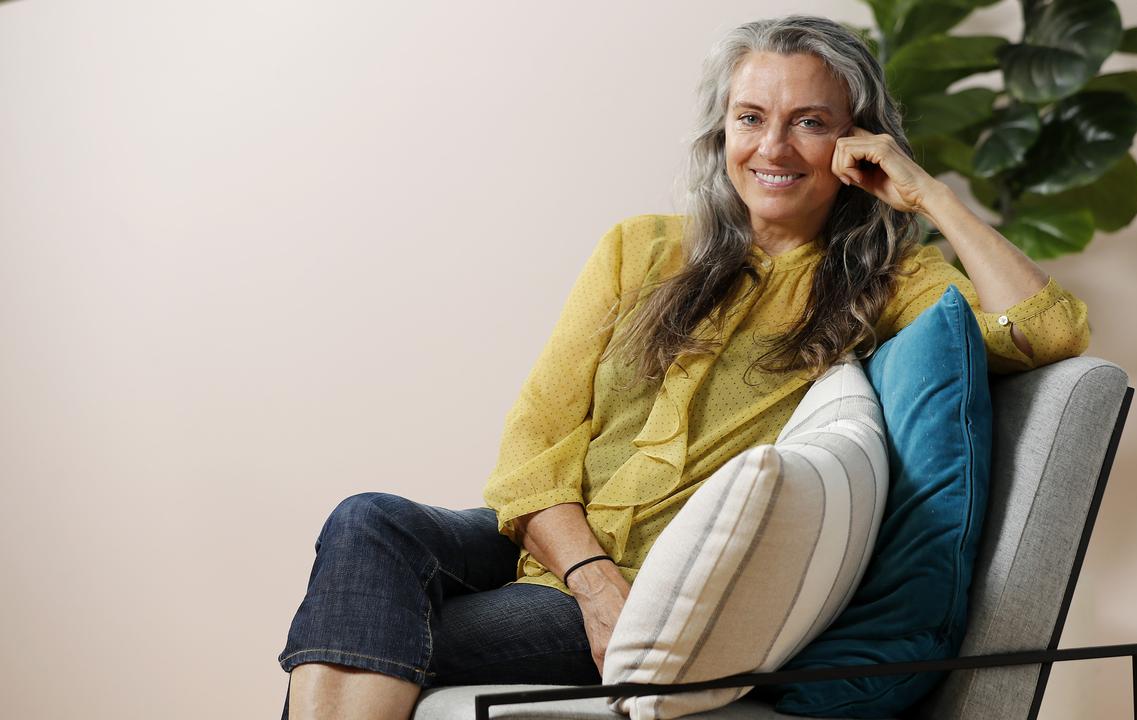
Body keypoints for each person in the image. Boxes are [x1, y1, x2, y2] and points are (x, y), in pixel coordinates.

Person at [276, 14, 1089, 720]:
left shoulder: (890, 285)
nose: (772, 147)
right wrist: (592, 583)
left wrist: (927, 196)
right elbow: (535, 445)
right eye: (751, 117)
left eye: (809, 122)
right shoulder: (642, 247)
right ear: (722, 131)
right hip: (562, 555)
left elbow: (1049, 331)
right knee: (367, 520)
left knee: (355, 634)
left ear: (856, 141)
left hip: (662, 587)